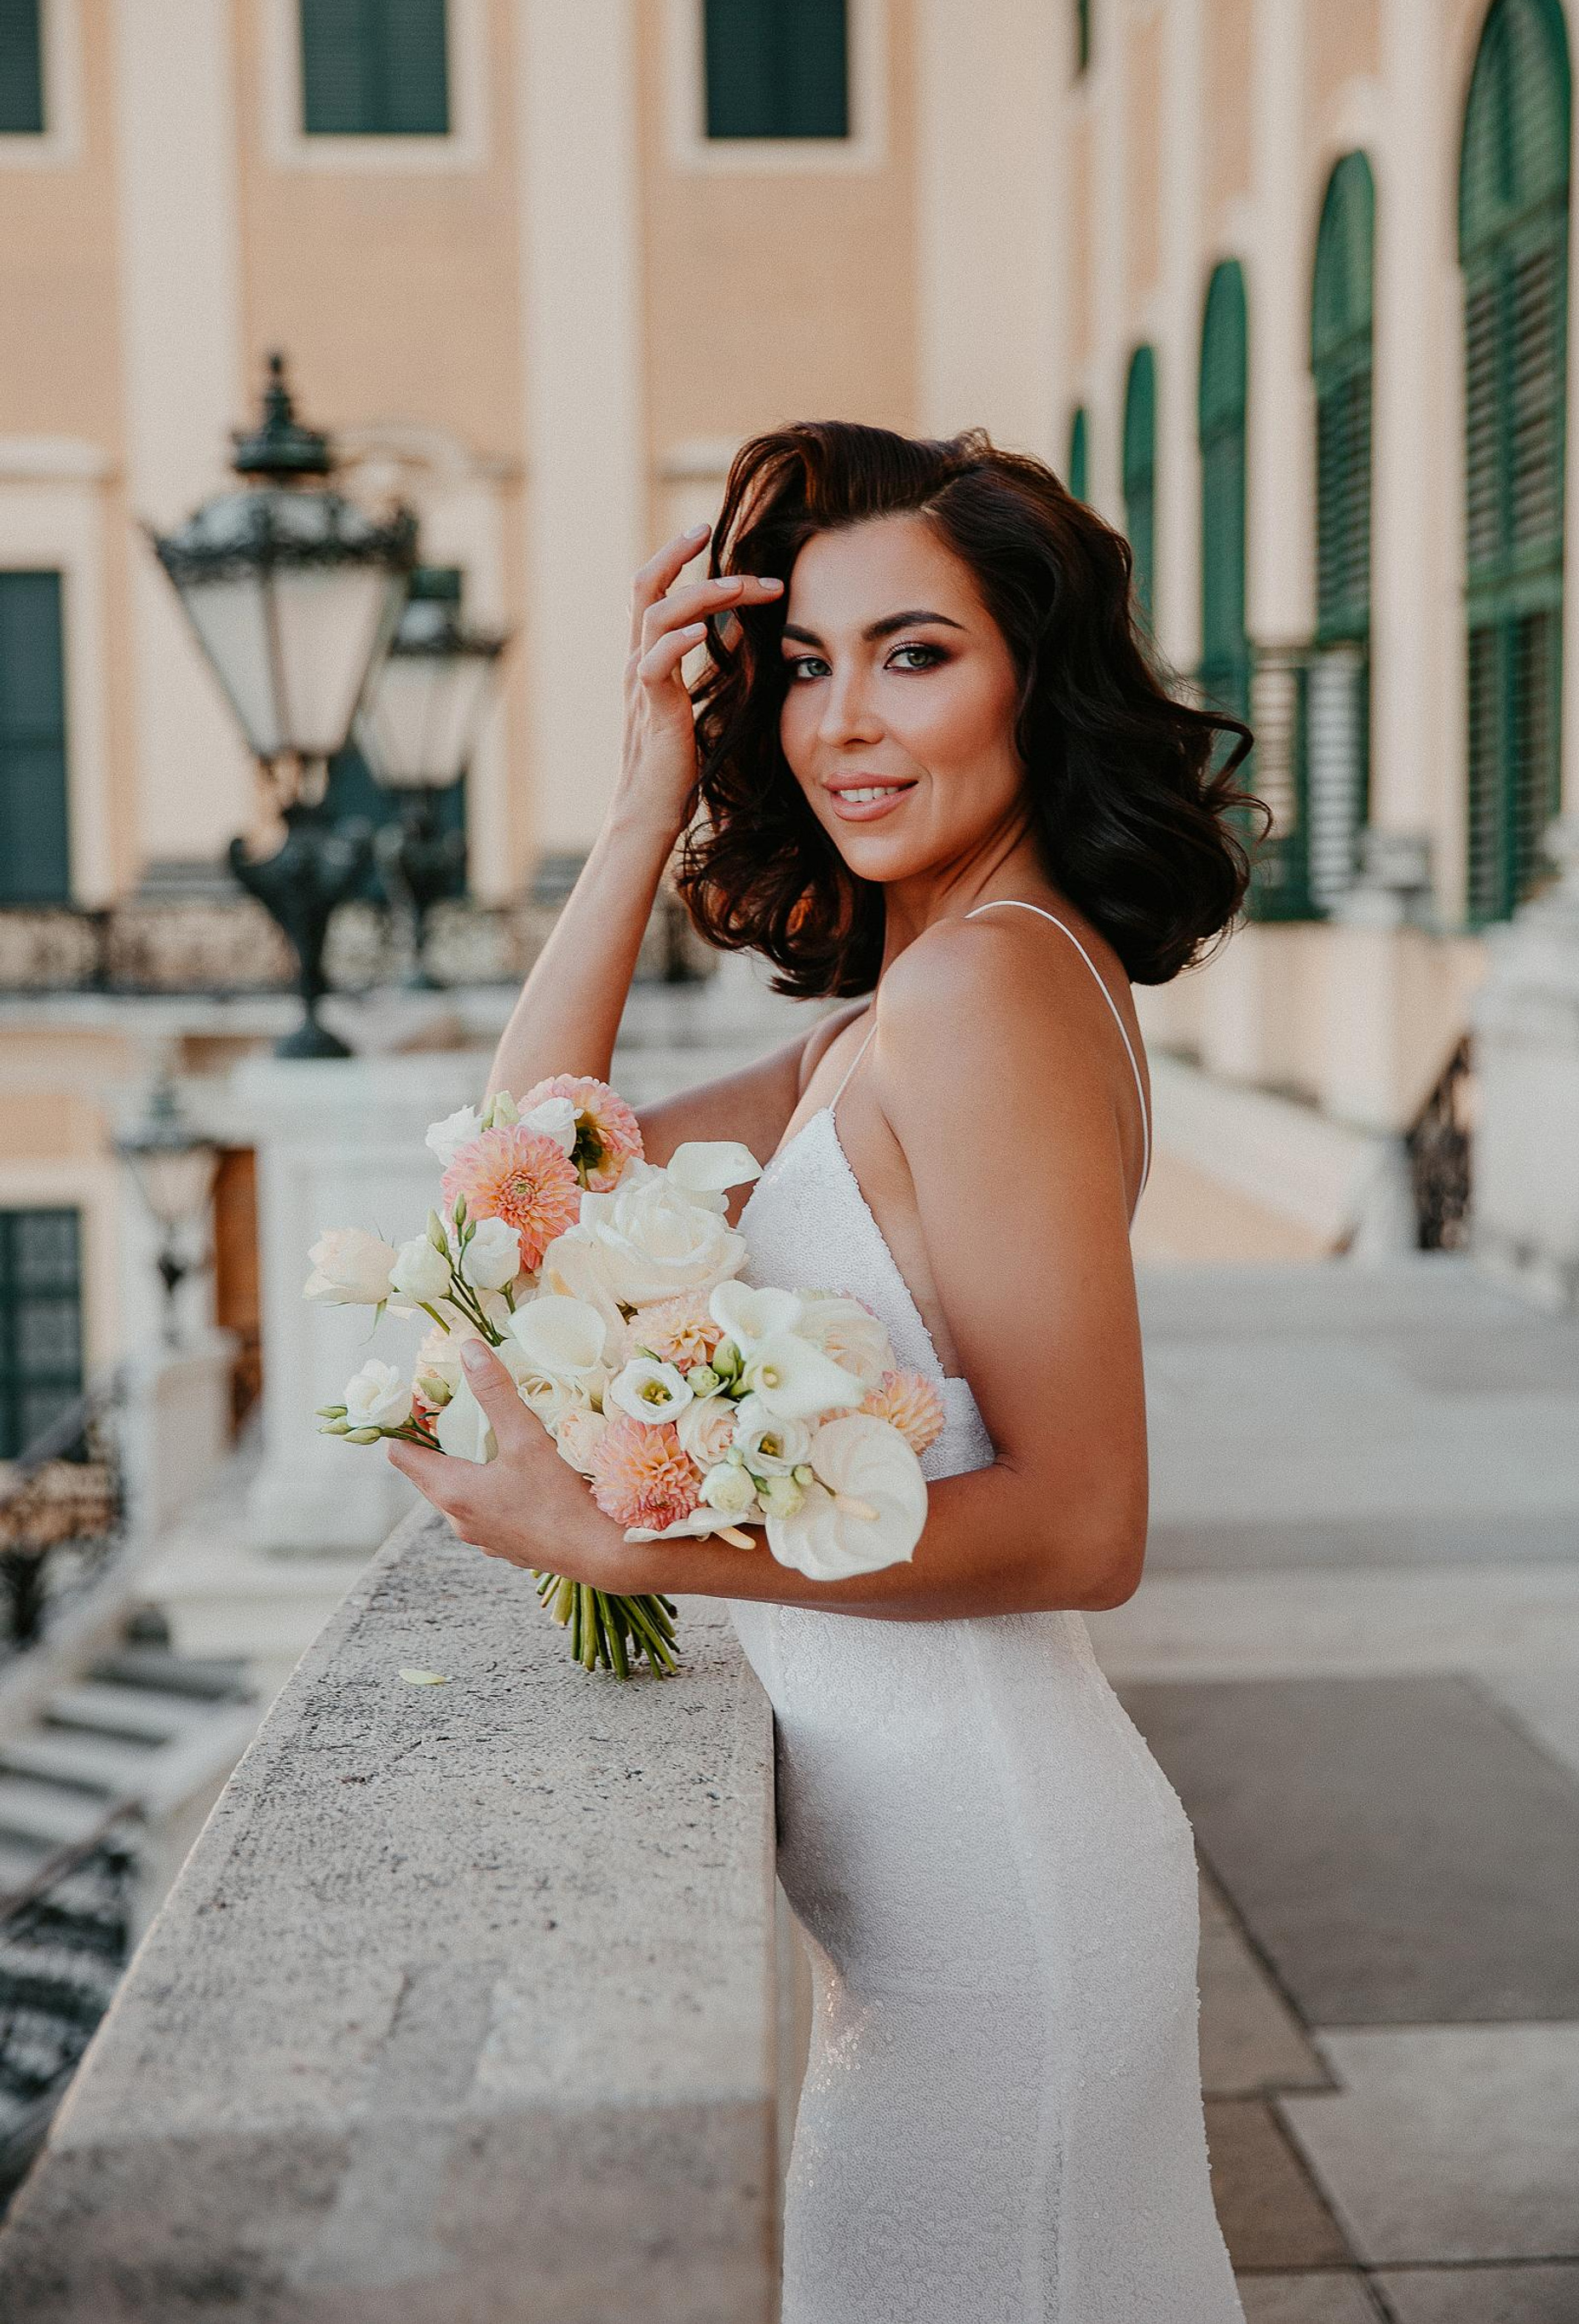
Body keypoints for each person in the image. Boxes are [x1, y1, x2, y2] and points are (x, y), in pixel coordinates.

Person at [387, 422, 1257, 2321]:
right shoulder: (897, 1012)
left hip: (995, 1935)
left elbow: (1086, 1521)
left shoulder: (988, 992)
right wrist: (637, 807)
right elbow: (516, 1197)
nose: (845, 723)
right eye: (801, 666)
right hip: (937, 1919)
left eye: (915, 653)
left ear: (1036, 673)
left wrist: (637, 1551)